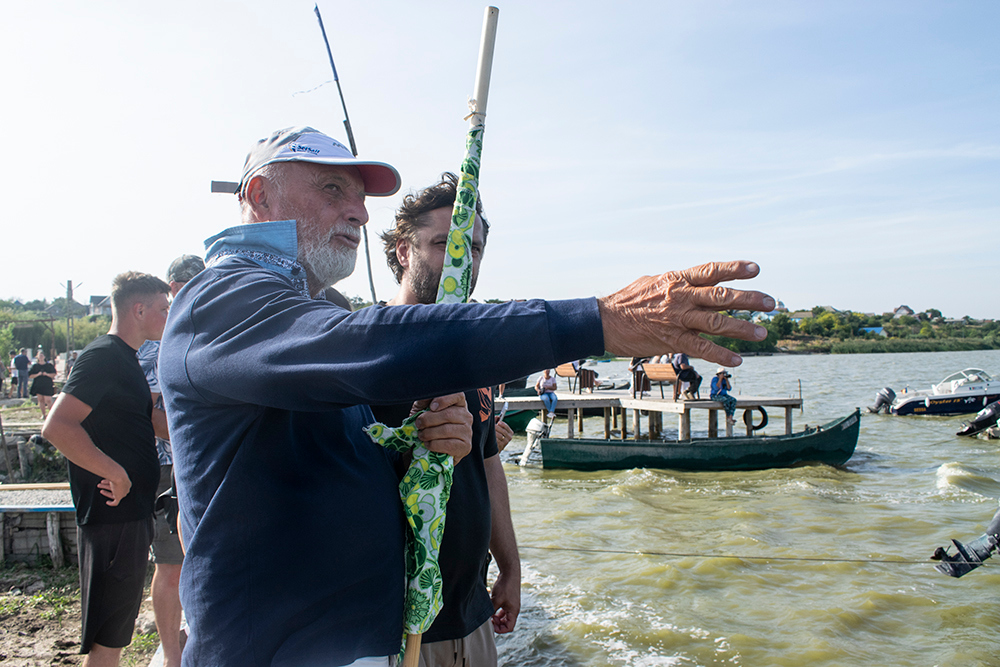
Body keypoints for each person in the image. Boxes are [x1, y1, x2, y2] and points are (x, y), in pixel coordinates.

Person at [157, 125, 772, 667]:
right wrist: (598, 320)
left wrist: (417, 442)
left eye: (361, 198)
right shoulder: (222, 299)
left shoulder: (304, 312)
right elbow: (368, 346)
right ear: (260, 196)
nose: (359, 213)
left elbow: (325, 455)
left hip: (359, 637)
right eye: (332, 189)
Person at [376, 172, 518, 665]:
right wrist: (410, 443)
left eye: (473, 248)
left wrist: (511, 568)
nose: (462, 259)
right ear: (403, 251)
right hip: (395, 626)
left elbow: (488, 465)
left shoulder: (473, 356)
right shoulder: (364, 349)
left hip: (471, 614)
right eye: (444, 243)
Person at [41, 272, 171, 667]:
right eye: (164, 309)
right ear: (139, 310)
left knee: (115, 635)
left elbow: (144, 419)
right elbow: (57, 426)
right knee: (107, 641)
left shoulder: (126, 358)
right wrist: (115, 472)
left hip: (130, 514)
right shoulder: (103, 357)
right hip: (112, 515)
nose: (169, 316)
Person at [136, 254, 204, 667]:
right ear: (175, 287)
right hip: (168, 466)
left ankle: (190, 641)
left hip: (195, 463)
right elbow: (147, 412)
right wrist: (189, 441)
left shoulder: (198, 329)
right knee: (171, 564)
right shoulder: (154, 345)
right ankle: (171, 656)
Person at [28, 350, 58, 419]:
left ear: (44, 357)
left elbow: (54, 374)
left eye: (42, 355)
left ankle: (52, 415)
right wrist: (38, 374)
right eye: (39, 356)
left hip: (47, 385)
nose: (41, 357)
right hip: (38, 385)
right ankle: (43, 415)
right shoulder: (35, 366)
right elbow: (30, 375)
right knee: (41, 400)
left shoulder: (49, 366)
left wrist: (46, 374)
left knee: (48, 400)